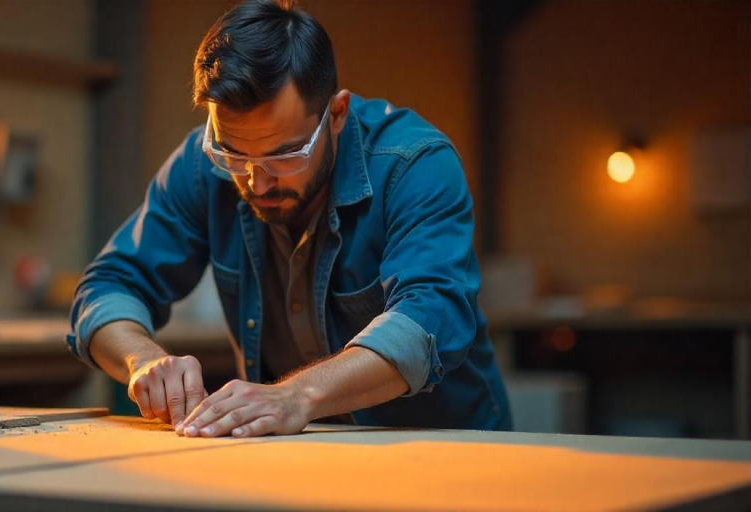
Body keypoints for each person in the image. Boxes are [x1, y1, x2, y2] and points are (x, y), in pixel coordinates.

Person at [67, 0, 511, 438]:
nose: (256, 183)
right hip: (298, 457)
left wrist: (296, 396)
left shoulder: (413, 164)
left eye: (285, 156)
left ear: (336, 115)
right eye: (234, 154)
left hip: (447, 450)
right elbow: (108, 287)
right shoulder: (202, 167)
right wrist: (142, 359)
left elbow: (429, 318)